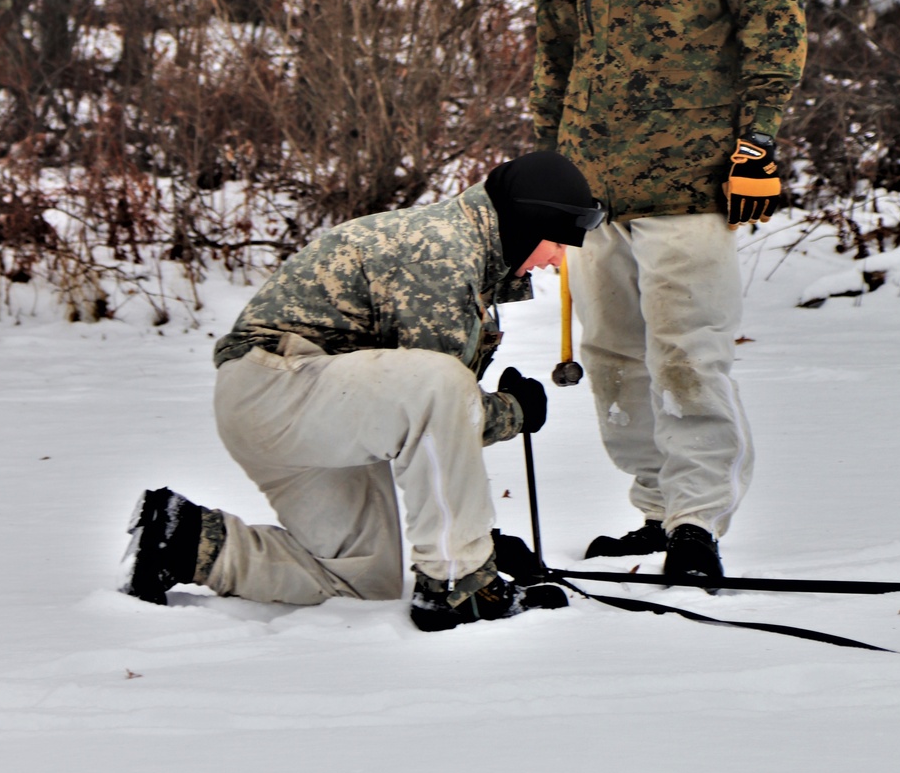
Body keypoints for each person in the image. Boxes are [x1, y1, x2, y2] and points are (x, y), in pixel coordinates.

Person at [531, 0, 807, 585]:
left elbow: (775, 24)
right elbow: (555, 47)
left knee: (689, 357)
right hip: (597, 185)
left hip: (694, 182)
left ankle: (697, 524)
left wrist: (756, 142)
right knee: (614, 362)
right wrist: (548, 177)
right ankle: (655, 508)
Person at [119, 151, 604, 631]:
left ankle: (184, 542)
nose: (558, 260)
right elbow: (442, 404)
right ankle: (460, 589)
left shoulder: (467, 254)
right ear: (526, 221)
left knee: (362, 582)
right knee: (442, 385)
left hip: (310, 408)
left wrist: (480, 536)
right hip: (276, 389)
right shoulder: (440, 250)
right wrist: (513, 412)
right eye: (557, 243)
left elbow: (434, 426)